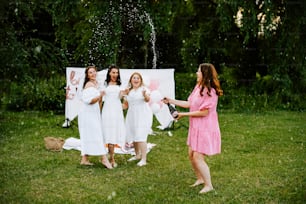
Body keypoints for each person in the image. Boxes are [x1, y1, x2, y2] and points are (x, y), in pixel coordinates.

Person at [162, 63, 223, 194]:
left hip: (206, 128)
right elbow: (189, 103)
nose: (196, 73)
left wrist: (183, 114)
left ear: (205, 74)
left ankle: (209, 185)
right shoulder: (198, 87)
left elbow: (204, 112)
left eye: (198, 71)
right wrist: (171, 101)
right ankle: (200, 179)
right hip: (196, 127)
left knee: (197, 157)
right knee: (191, 155)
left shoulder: (210, 92)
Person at [78, 65, 112, 169]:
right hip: (87, 113)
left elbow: (98, 103)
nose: (93, 74)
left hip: (94, 112)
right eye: (90, 73)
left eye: (94, 72)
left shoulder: (96, 84)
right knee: (96, 134)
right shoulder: (89, 85)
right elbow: (90, 101)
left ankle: (84, 159)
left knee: (90, 134)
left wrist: (100, 100)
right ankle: (104, 158)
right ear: (87, 75)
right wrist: (99, 96)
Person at [122, 72, 153, 167]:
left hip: (142, 114)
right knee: (133, 135)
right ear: (131, 80)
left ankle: (144, 159)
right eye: (134, 78)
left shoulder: (144, 89)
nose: (136, 80)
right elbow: (125, 105)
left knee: (141, 136)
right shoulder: (128, 91)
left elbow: (148, 100)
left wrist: (144, 95)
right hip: (132, 115)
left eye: (138, 78)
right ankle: (137, 155)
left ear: (140, 80)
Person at [101, 64, 126, 168]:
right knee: (107, 131)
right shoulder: (104, 84)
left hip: (116, 110)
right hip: (107, 110)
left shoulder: (120, 84)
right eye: (113, 72)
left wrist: (124, 93)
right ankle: (107, 156)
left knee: (114, 132)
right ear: (109, 73)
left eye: (117, 73)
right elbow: (101, 99)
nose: (115, 74)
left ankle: (112, 157)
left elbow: (120, 97)